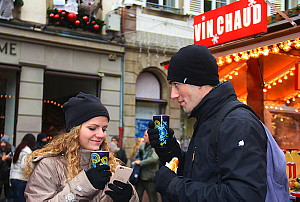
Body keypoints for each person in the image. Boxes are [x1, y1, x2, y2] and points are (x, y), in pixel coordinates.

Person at [147, 45, 267, 201]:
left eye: (176, 85)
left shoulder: (237, 123)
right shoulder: (207, 118)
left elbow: (243, 196)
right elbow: (202, 175)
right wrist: (169, 151)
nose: (173, 95)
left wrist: (174, 186)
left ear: (198, 82)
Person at [23, 92, 138, 201]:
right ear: (74, 131)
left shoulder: (111, 164)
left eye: (104, 129)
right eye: (92, 128)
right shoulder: (49, 166)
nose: (101, 135)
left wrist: (129, 197)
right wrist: (84, 185)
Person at [132, 130, 159, 202]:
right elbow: (135, 157)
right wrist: (137, 160)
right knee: (137, 198)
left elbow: (154, 158)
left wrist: (141, 162)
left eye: (146, 136)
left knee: (153, 198)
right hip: (140, 176)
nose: (144, 137)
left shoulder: (156, 146)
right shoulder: (142, 146)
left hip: (150, 177)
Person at [10, 133, 36, 202]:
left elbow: (13, 164)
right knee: (21, 199)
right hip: (22, 179)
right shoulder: (27, 151)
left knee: (15, 198)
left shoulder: (19, 149)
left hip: (14, 177)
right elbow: (24, 166)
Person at [0, 136, 13, 201]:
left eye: (4, 142)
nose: (2, 144)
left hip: (7, 174)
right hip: (1, 174)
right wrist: (2, 160)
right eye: (1, 142)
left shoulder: (11, 151)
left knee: (7, 190)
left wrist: (9, 159)